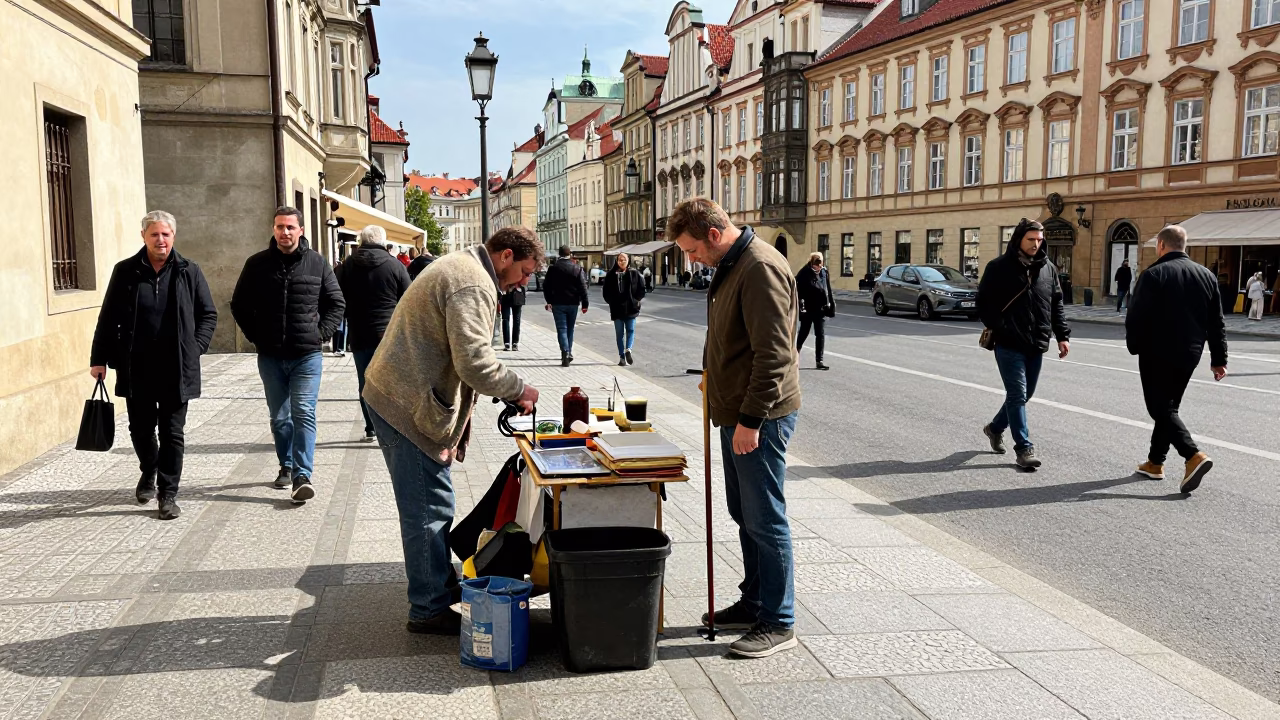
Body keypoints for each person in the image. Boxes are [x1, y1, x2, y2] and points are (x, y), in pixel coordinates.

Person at [363, 227, 543, 634]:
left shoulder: (465, 268)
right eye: (525, 272)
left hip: (399, 393)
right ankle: (427, 607)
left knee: (431, 500)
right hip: (403, 403)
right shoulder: (473, 283)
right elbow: (475, 363)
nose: (524, 282)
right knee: (429, 506)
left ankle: (438, 585)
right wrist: (520, 388)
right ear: (505, 256)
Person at [670, 198, 802, 660]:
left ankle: (779, 619)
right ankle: (755, 601)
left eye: (691, 251)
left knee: (765, 517)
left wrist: (751, 420)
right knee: (743, 512)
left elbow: (775, 355)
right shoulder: (731, 264)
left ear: (711, 234)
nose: (691, 260)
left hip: (758, 417)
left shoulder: (759, 267)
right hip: (735, 412)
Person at [90, 211, 217, 521]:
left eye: (166, 235)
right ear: (144, 236)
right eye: (155, 235)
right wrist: (99, 358)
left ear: (173, 237)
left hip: (177, 368)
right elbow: (108, 318)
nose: (161, 240)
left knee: (173, 432)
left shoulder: (189, 271)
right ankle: (150, 468)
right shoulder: (126, 272)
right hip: (137, 365)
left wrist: (194, 348)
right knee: (141, 430)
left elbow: (208, 314)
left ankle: (168, 494)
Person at [231, 207, 345, 503]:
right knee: (280, 417)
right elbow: (239, 304)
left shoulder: (317, 263)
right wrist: (255, 335)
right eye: (280, 227)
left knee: (303, 412)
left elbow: (336, 303)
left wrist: (321, 333)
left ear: (301, 230)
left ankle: (302, 474)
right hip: (270, 355)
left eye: (290, 227)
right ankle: (286, 463)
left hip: (306, 354)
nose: (285, 232)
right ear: (274, 229)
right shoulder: (257, 264)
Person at [1126, 225, 1227, 493]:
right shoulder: (1207, 275)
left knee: (1159, 408)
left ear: (1161, 245)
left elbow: (1136, 316)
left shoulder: (1154, 274)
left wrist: (1134, 346)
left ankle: (1192, 455)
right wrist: (1219, 358)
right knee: (1169, 407)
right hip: (1190, 353)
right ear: (1185, 246)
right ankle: (1155, 462)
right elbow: (1216, 322)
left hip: (1157, 351)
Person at [977, 218, 1071, 470]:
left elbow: (1056, 304)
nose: (1036, 244)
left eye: (1040, 240)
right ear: (1018, 239)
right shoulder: (998, 267)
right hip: (1008, 342)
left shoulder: (1048, 268)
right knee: (1017, 393)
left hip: (1037, 342)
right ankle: (1024, 449)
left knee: (1025, 394)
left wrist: (1062, 335)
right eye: (1031, 239)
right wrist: (1001, 326)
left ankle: (995, 428)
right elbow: (983, 303)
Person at [336, 225, 411, 442]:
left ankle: (370, 427)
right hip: (388, 334)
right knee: (389, 381)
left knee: (365, 381)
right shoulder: (395, 265)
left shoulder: (348, 265)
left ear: (362, 241)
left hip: (359, 333)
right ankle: (389, 427)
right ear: (383, 242)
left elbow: (337, 296)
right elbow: (408, 300)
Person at [542, 245, 589, 366]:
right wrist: (585, 303)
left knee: (561, 329)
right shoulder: (576, 268)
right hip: (573, 303)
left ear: (559, 254)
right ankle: (569, 352)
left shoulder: (553, 268)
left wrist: (549, 300)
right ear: (570, 254)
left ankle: (565, 352)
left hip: (558, 303)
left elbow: (546, 286)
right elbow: (583, 287)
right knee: (570, 328)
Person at [603, 252, 646, 366]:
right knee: (619, 333)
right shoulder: (611, 275)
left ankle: (628, 350)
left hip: (631, 307)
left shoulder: (634, 273)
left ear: (628, 261)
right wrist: (611, 301)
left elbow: (642, 289)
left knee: (631, 330)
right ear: (617, 261)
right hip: (617, 309)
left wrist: (636, 300)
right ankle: (621, 357)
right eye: (620, 260)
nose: (622, 262)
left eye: (624, 260)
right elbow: (606, 292)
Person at [795, 252, 835, 371]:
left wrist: (831, 304)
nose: (819, 266)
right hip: (808, 308)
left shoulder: (824, 272)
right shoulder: (804, 273)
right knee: (803, 333)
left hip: (821, 308)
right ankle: (794, 357)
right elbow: (798, 291)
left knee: (820, 334)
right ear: (812, 263)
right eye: (817, 264)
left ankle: (819, 361)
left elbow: (827, 288)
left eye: (821, 263)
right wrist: (800, 306)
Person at [500, 283, 525, 351]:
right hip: (507, 294)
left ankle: (514, 343)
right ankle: (508, 343)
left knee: (515, 320)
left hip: (517, 293)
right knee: (506, 319)